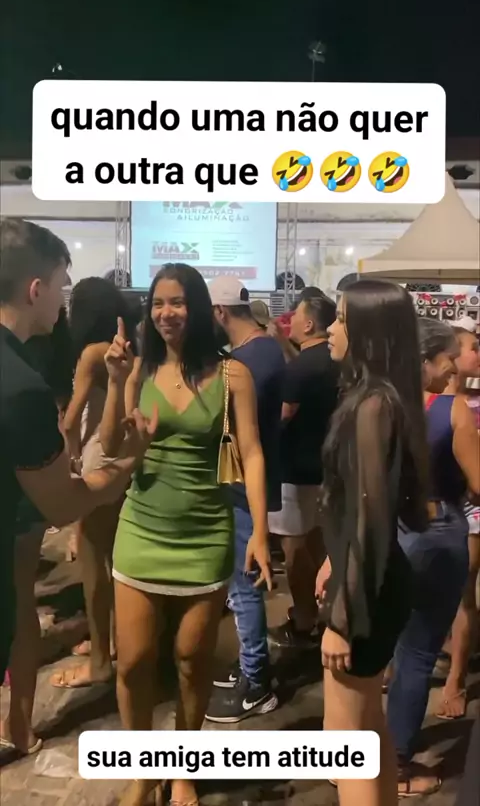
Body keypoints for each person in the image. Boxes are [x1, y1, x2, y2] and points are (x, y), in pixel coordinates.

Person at [99, 264, 272, 806]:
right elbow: (111, 446)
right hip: (141, 527)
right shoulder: (138, 369)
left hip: (206, 533)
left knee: (193, 661)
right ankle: (143, 769)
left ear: (197, 308)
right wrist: (115, 384)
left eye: (177, 302)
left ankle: (181, 769)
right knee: (132, 662)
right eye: (158, 303)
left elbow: (253, 453)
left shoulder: (232, 375)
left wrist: (260, 532)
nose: (166, 313)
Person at [0, 218, 156, 686]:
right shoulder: (20, 385)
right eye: (59, 287)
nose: (63, 301)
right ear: (35, 290)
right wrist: (128, 461)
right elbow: (63, 503)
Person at [317, 279, 430, 806]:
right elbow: (358, 512)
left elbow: (371, 518)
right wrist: (332, 561)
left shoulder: (372, 405)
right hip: (373, 582)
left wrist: (341, 619)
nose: (331, 328)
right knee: (366, 730)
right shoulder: (379, 399)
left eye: (341, 318)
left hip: (366, 595)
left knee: (346, 742)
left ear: (367, 332)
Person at [387, 318, 475, 797]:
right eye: (447, 360)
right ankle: (396, 764)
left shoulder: (383, 404)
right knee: (419, 653)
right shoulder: (451, 408)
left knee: (395, 649)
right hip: (438, 530)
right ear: (426, 360)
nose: (453, 369)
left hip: (392, 530)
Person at [204, 277, 285, 723]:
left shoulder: (242, 364)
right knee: (245, 583)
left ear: (219, 313)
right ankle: (250, 666)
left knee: (244, 586)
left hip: (242, 487)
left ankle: (256, 681)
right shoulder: (268, 348)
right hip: (254, 482)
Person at [51, 278, 139, 689]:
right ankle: (113, 642)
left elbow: (72, 418)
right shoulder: (124, 349)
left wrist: (65, 459)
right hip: (120, 454)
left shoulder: (91, 353)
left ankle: (102, 659)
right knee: (112, 557)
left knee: (92, 562)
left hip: (96, 455)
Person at [0, 308, 74, 755]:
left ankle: (20, 721)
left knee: (19, 599)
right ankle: (19, 723)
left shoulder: (34, 351)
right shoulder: (48, 346)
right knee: (19, 598)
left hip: (27, 483)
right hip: (32, 477)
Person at [269, 294, 338, 650]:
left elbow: (282, 416)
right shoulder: (336, 360)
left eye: (296, 314)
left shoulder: (300, 369)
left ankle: (304, 618)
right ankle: (321, 611)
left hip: (294, 471)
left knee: (294, 548)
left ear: (309, 324)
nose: (290, 319)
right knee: (316, 541)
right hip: (326, 468)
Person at [438, 319, 480, 719]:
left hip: (472, 507)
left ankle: (456, 677)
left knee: (463, 590)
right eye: (471, 347)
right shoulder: (427, 401)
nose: (476, 355)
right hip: (433, 506)